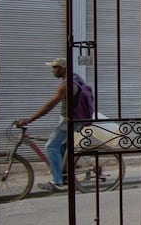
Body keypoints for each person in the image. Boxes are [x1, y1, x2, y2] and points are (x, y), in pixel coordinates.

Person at [17, 57, 94, 192]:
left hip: (70, 120)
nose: (52, 71)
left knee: (51, 146)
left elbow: (49, 106)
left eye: (55, 68)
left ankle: (57, 181)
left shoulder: (66, 85)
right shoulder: (75, 78)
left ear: (62, 69)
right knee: (62, 146)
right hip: (73, 119)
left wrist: (29, 120)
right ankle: (66, 175)